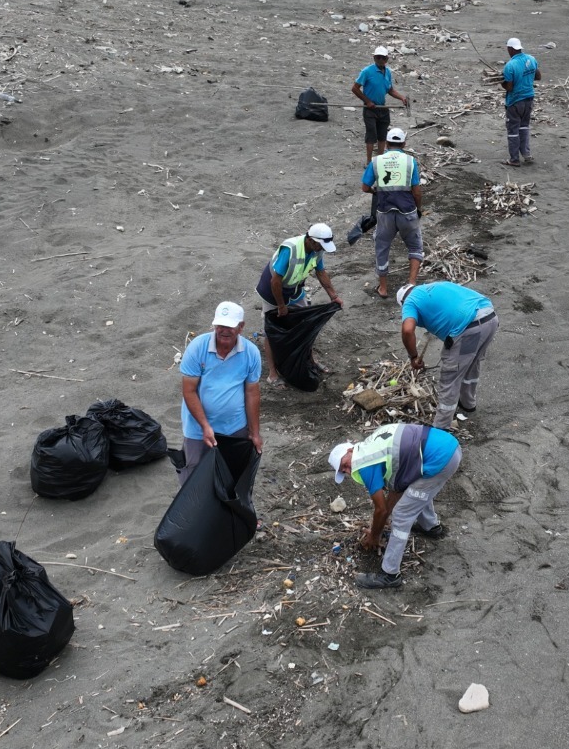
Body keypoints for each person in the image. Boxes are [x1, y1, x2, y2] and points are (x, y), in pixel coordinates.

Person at [329, 422, 462, 589]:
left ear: (349, 451)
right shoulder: (372, 445)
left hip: (440, 457)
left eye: (345, 465)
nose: (348, 470)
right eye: (344, 471)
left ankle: (390, 575)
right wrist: (382, 521)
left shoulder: (364, 462)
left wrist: (375, 535)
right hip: (448, 446)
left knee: (401, 514)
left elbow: (381, 509)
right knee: (416, 492)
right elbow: (397, 489)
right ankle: (430, 527)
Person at [175, 301, 262, 486]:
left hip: (234, 427)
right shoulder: (197, 348)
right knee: (194, 476)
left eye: (230, 326)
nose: (224, 330)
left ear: (241, 327)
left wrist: (255, 432)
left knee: (234, 475)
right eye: (220, 325)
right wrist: (205, 426)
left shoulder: (251, 353)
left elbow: (252, 393)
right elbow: (189, 391)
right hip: (198, 429)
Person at [397, 281, 498, 428]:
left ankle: (441, 426)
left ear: (402, 302)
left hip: (468, 326)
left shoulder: (410, 301)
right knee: (471, 363)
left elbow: (407, 330)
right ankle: (468, 404)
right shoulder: (435, 285)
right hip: (490, 316)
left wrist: (413, 356)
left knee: (450, 377)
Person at [257, 223, 343, 384]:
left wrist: (333, 296)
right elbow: (275, 281)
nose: (321, 249)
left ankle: (311, 360)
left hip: (294, 289)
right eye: (320, 245)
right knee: (269, 331)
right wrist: (281, 306)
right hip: (272, 291)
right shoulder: (290, 249)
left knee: (307, 325)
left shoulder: (317, 250)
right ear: (310, 240)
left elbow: (320, 271)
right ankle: (272, 373)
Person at [361, 126, 424, 299]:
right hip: (407, 210)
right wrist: (418, 209)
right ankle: (411, 285)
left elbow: (365, 187)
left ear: (387, 143)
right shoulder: (410, 162)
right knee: (415, 246)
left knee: (382, 247)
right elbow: (416, 191)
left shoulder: (376, 161)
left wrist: (377, 192)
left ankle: (383, 288)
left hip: (385, 211)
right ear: (404, 143)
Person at [352, 45, 411, 163]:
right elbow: (355, 88)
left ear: (387, 59)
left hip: (382, 108)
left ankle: (380, 161)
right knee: (371, 135)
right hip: (369, 109)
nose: (380, 60)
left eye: (383, 58)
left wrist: (402, 98)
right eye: (378, 57)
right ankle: (369, 162)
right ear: (374, 58)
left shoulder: (388, 72)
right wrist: (367, 101)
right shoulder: (367, 71)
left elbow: (390, 90)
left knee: (382, 135)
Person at [499, 36, 542, 166]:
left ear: (510, 49)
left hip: (515, 101)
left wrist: (502, 83)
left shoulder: (510, 65)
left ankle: (514, 159)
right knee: (524, 127)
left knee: (513, 130)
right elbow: (538, 76)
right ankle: (526, 154)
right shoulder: (531, 59)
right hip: (529, 98)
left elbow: (510, 87)